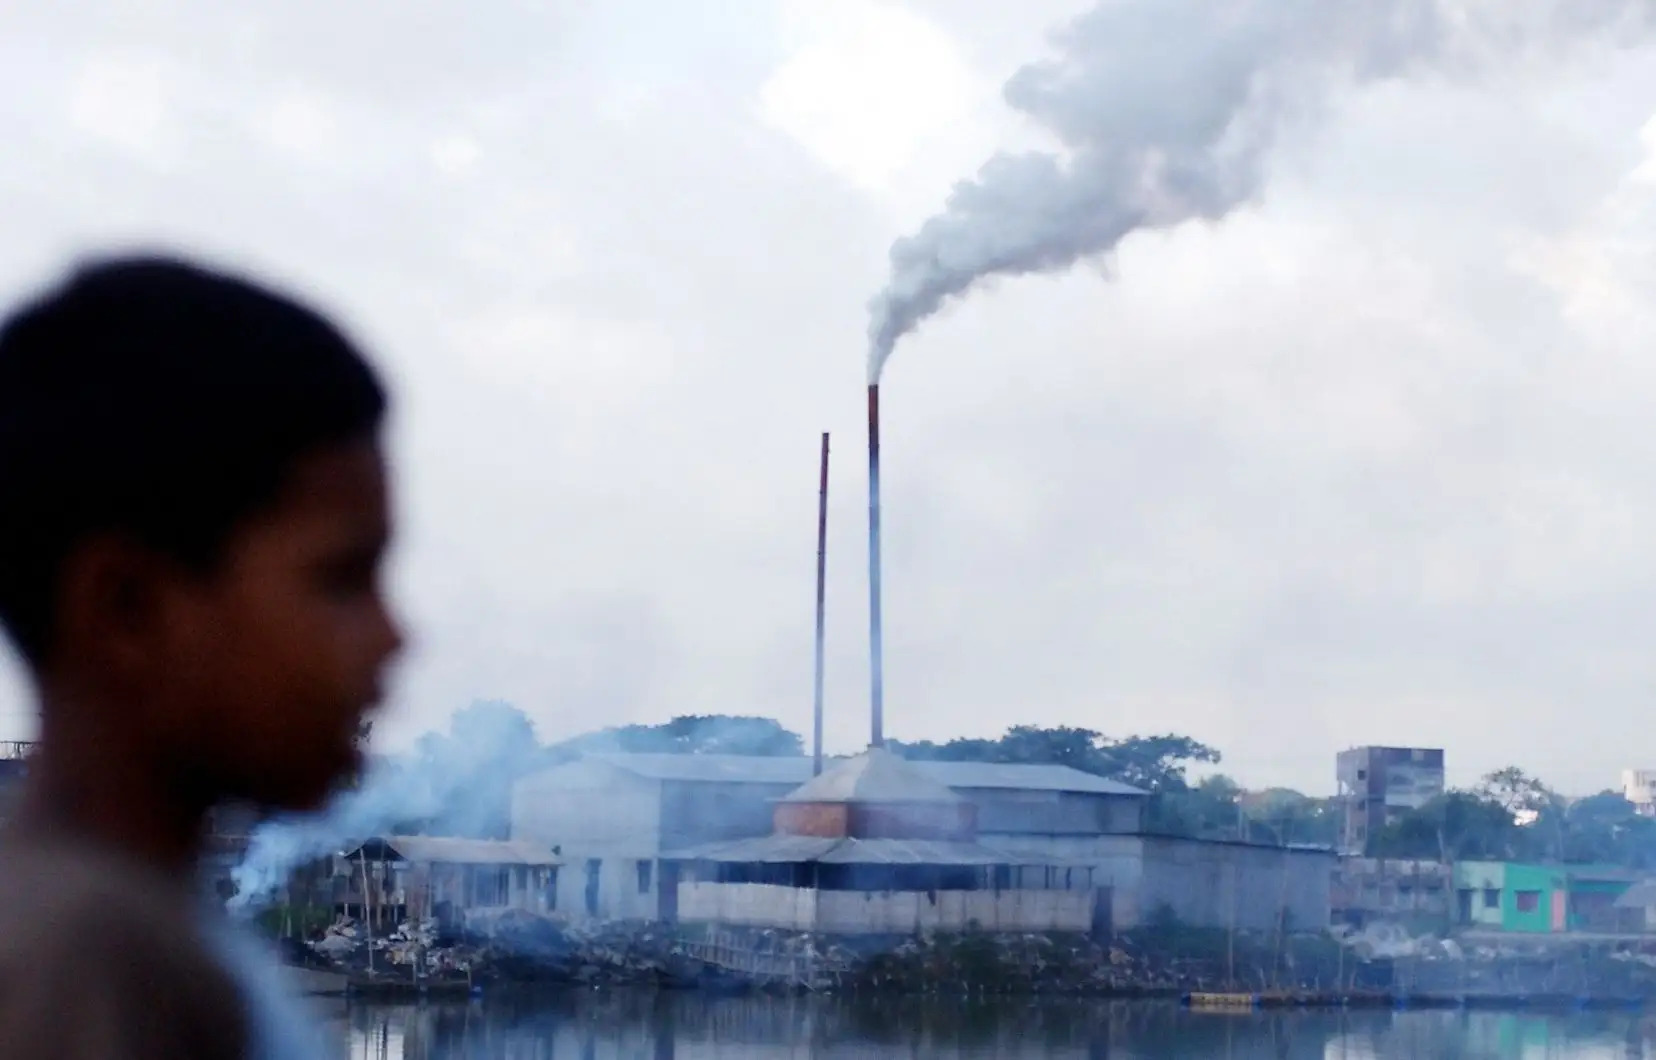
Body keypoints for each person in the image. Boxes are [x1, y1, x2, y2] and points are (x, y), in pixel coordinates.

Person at [0, 255, 404, 1058]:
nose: (395, 634)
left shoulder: (139, 935)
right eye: (339, 579)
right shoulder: (93, 957)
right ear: (127, 610)